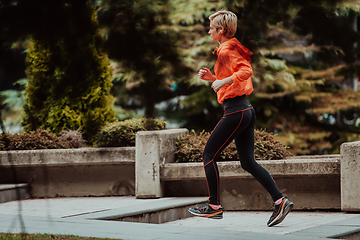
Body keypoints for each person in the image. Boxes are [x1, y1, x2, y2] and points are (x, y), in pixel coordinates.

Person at [187, 10, 293, 227]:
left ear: (221, 31)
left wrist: (222, 80)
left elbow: (246, 71)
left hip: (236, 111)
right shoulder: (231, 47)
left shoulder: (226, 49)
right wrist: (214, 79)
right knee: (248, 162)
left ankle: (214, 207)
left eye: (211, 29)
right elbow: (235, 82)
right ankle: (280, 201)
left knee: (208, 155)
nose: (209, 32)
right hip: (245, 109)